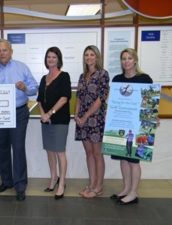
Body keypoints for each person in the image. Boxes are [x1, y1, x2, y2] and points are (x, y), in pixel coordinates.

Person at [0, 38, 38, 201]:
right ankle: (6, 181)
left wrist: (25, 88)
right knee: (1, 148)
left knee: (18, 148)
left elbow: (34, 89)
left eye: (5, 50)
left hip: (19, 113)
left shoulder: (22, 67)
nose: (2, 53)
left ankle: (20, 185)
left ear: (11, 51)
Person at [110, 48, 153, 205]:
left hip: (140, 126)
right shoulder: (117, 79)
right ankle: (126, 189)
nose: (126, 61)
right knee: (123, 158)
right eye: (123, 58)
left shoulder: (145, 79)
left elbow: (149, 102)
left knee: (134, 160)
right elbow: (114, 103)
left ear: (135, 60)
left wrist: (153, 118)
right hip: (122, 124)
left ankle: (134, 193)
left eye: (129, 58)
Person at [75, 45, 109, 198]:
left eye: (92, 54)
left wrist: (85, 116)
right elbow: (79, 98)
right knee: (88, 153)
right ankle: (91, 183)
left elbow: (100, 99)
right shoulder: (83, 76)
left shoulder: (103, 74)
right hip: (82, 120)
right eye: (86, 55)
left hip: (95, 119)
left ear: (97, 57)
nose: (89, 57)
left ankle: (98, 187)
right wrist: (76, 116)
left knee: (97, 153)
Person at [37, 47, 71, 200]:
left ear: (59, 59)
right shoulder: (44, 78)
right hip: (46, 121)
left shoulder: (64, 76)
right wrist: (43, 114)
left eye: (54, 57)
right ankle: (53, 178)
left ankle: (62, 183)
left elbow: (65, 98)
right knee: (50, 151)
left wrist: (50, 113)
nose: (51, 59)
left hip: (59, 120)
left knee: (59, 152)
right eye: (48, 57)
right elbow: (39, 100)